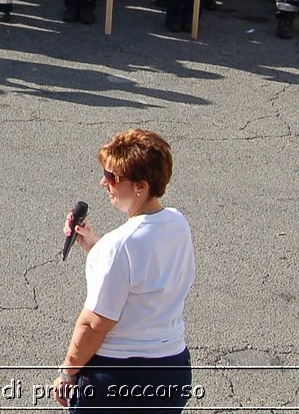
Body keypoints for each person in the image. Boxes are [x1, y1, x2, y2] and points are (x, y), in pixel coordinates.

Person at [55, 129, 195, 412]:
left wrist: (68, 373)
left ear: (140, 186)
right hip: (172, 366)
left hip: (120, 379)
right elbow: (141, 279)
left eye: (112, 177)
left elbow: (94, 324)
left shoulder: (118, 247)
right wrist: (95, 246)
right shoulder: (178, 223)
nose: (103, 183)